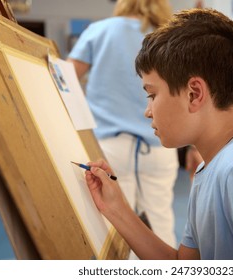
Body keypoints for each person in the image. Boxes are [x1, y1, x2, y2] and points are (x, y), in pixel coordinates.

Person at [84, 8, 233, 260]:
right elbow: (182, 265)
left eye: (152, 95)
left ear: (194, 93)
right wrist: (116, 207)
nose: (148, 111)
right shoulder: (210, 170)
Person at [67, 0, 179, 250]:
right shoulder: (169, 36)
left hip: (110, 147)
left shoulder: (100, 30)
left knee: (117, 228)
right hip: (161, 144)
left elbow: (64, 80)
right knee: (161, 223)